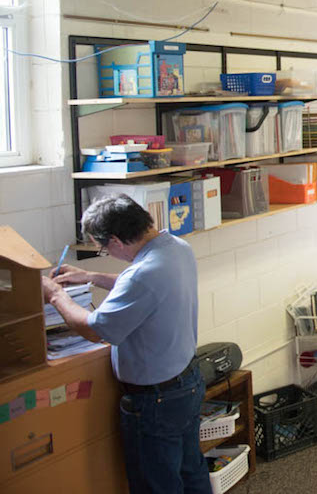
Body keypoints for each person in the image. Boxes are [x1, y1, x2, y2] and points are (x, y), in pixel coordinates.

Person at [41, 195, 209, 494]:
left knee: (157, 484)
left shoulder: (142, 275)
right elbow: (140, 283)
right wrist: (90, 276)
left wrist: (55, 295)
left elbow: (95, 329)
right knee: (191, 472)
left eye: (103, 248)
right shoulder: (175, 248)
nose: (106, 252)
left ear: (116, 240)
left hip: (156, 399)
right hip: (187, 382)